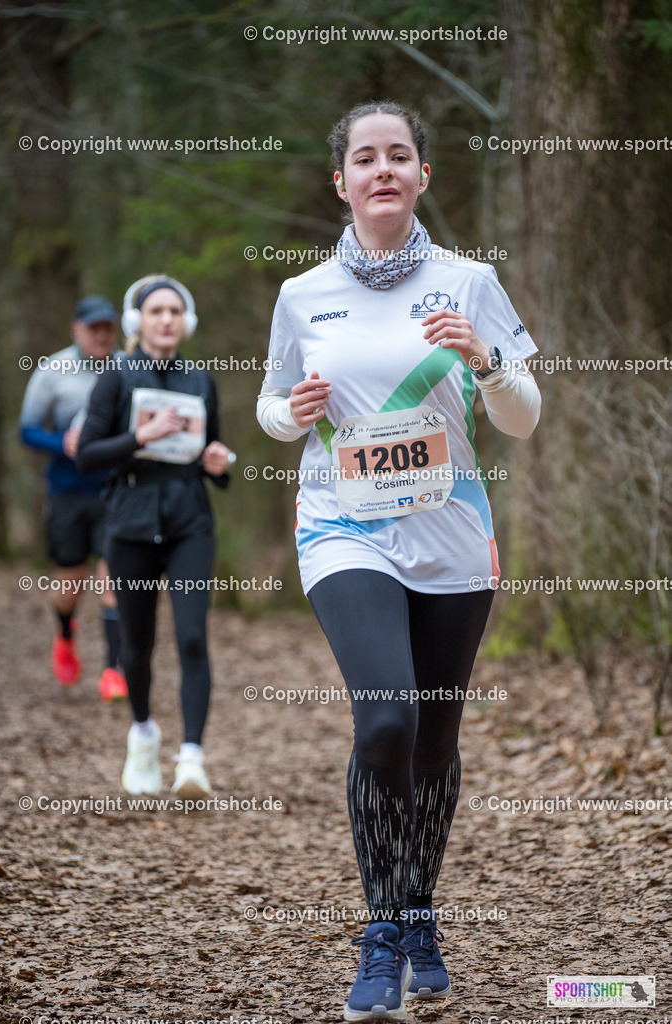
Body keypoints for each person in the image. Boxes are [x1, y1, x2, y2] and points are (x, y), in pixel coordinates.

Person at [257, 101, 541, 1023]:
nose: (383, 169)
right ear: (339, 180)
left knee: (435, 741)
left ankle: (419, 912)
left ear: (422, 176)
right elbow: (268, 409)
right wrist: (291, 412)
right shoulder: (302, 295)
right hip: (343, 527)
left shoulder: (469, 282)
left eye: (400, 156)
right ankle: (381, 931)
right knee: (386, 718)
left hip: (452, 534)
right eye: (365, 158)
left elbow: (523, 418)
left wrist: (488, 362)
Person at [77, 276, 231, 798]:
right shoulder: (115, 376)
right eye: (155, 311)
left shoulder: (201, 380)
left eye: (174, 311)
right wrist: (139, 436)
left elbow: (215, 453)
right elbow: (87, 454)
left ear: (185, 322)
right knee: (137, 648)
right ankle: (143, 733)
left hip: (190, 522)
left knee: (191, 637)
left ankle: (192, 758)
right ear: (137, 321)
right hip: (132, 524)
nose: (165, 319)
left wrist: (219, 463)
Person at [20, 295, 128, 701]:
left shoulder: (126, 367)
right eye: (93, 328)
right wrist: (59, 442)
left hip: (114, 490)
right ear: (76, 330)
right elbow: (27, 430)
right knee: (71, 581)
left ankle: (112, 670)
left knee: (112, 577)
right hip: (67, 491)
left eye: (107, 328)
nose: (101, 335)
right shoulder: (52, 371)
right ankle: (65, 633)